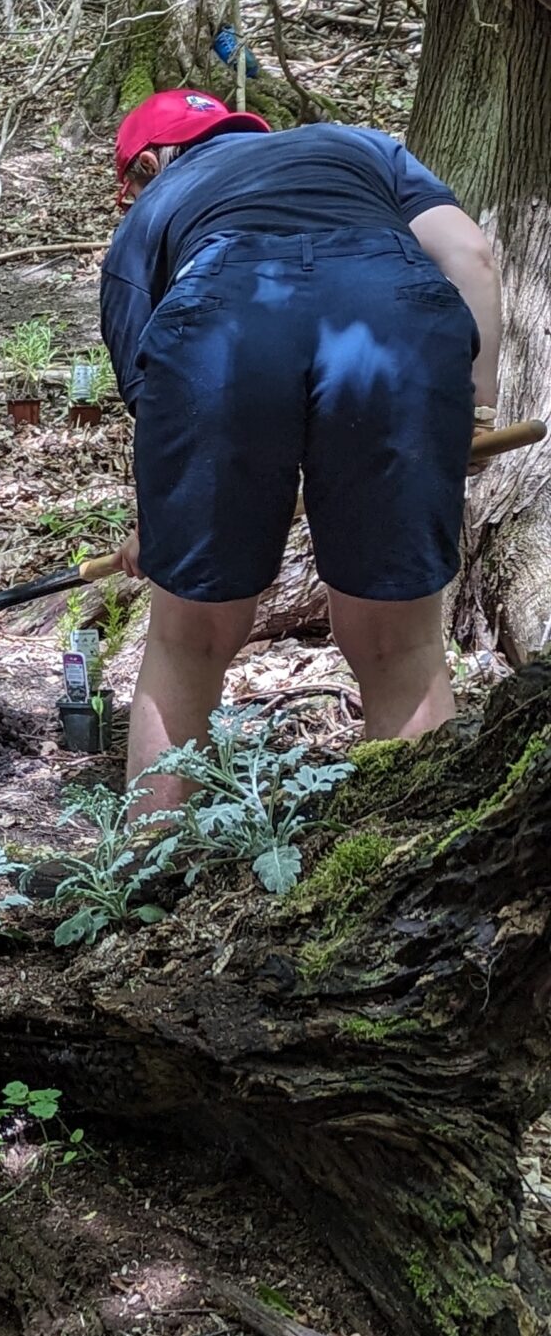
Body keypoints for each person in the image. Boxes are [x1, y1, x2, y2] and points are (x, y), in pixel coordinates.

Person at [99, 90, 501, 805]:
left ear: (153, 164)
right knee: (399, 642)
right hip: (395, 322)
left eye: (128, 184)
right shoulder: (362, 146)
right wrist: (479, 408)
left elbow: (156, 395)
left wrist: (164, 525)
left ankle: (144, 891)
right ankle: (405, 871)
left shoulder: (152, 214)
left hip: (223, 331)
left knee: (189, 639)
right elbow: (471, 255)